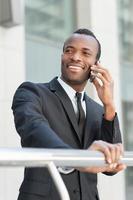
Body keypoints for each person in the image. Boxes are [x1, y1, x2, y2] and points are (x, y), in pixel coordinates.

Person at [12, 28, 126, 200]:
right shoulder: (32, 92)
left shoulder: (98, 110)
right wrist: (77, 159)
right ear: (62, 56)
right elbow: (33, 129)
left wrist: (109, 105)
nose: (75, 57)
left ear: (96, 64)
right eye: (69, 50)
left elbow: (111, 168)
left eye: (85, 53)